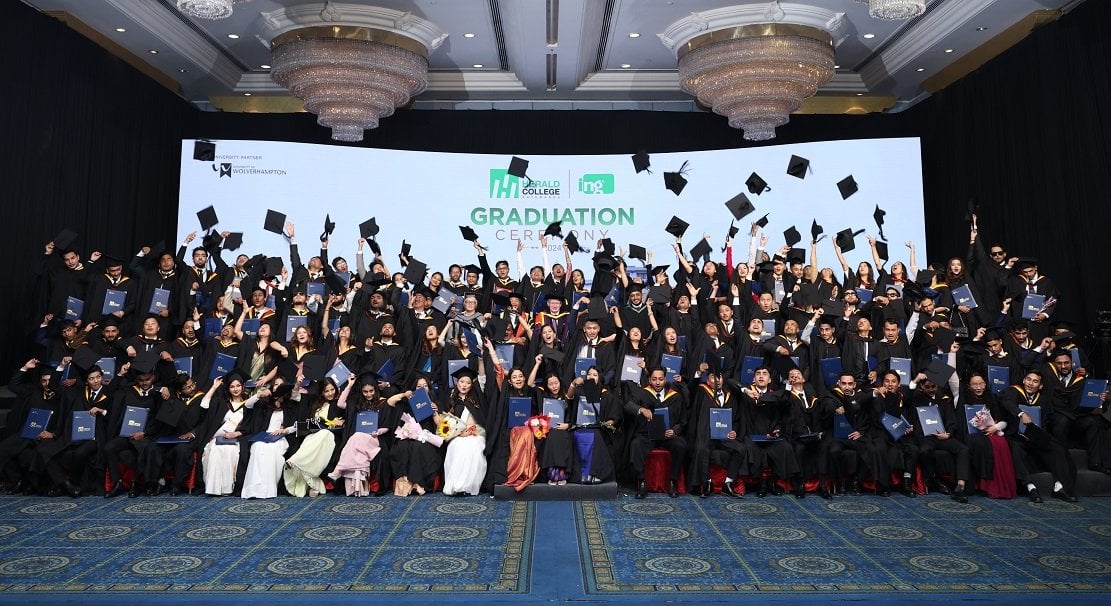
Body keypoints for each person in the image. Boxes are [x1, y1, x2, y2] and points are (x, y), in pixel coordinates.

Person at [284, 375, 353, 497]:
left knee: (324, 433)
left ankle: (296, 461)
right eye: (326, 391)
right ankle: (312, 483)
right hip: (313, 436)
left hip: (330, 436)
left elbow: (349, 418)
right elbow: (294, 396)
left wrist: (342, 421)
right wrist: (298, 384)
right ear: (321, 392)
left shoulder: (339, 403)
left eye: (332, 389)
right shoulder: (314, 402)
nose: (330, 393)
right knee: (308, 440)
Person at [625, 367, 689, 499]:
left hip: (667, 436)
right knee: (636, 444)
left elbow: (683, 420)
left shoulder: (675, 396)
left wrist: (675, 430)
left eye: (660, 379)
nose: (658, 382)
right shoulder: (642, 393)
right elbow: (628, 406)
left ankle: (673, 481)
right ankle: (642, 482)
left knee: (680, 445)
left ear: (665, 379)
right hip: (648, 435)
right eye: (654, 379)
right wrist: (641, 409)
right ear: (649, 380)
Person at [198, 372, 260, 496]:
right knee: (216, 450)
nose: (235, 389)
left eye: (238, 386)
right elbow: (204, 405)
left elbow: (251, 426)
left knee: (230, 451)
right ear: (228, 389)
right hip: (218, 438)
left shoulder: (248, 404)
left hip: (237, 440)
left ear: (243, 387)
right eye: (232, 387)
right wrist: (214, 387)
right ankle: (213, 489)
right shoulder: (221, 402)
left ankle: (227, 489)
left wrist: (237, 433)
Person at [240, 381, 300, 499]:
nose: (278, 387)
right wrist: (259, 394)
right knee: (258, 447)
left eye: (281, 384)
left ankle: (268, 489)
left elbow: (297, 425)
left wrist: (284, 430)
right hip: (263, 436)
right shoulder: (265, 403)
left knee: (272, 450)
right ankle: (253, 489)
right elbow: (247, 405)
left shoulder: (290, 405)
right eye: (276, 384)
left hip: (280, 438)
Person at [442, 366, 488, 496]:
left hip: (476, 433)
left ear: (472, 385)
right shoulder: (452, 401)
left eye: (468, 383)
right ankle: (456, 485)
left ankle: (468, 486)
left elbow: (482, 379)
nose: (464, 385)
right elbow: (446, 425)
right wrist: (460, 433)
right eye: (462, 382)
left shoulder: (476, 398)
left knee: (473, 447)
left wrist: (480, 360)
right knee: (457, 447)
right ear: (457, 383)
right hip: (458, 435)